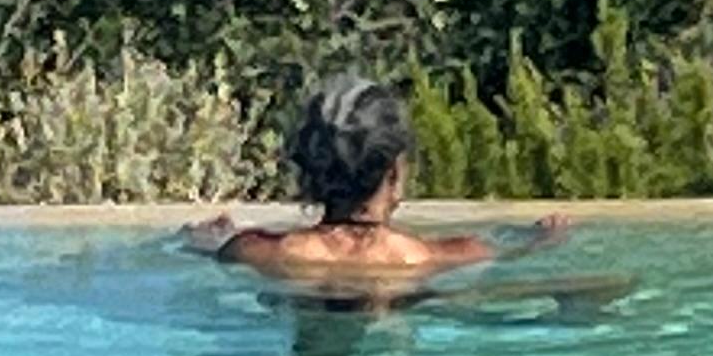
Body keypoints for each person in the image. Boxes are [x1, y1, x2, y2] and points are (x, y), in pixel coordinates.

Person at [182, 76, 568, 282]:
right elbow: (509, 251)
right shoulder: (433, 257)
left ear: (309, 171)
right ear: (395, 172)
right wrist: (541, 239)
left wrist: (209, 239)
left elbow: (217, 248)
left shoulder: (258, 252)